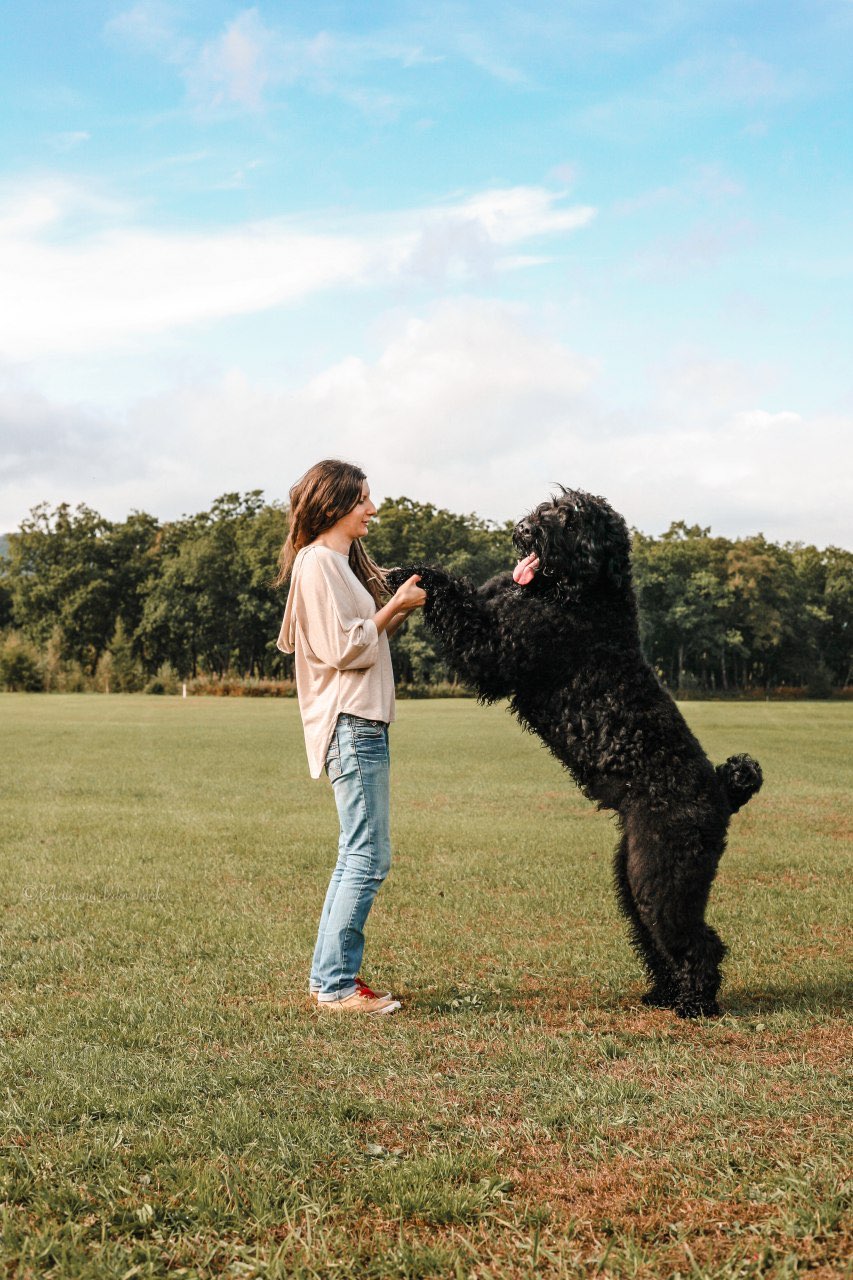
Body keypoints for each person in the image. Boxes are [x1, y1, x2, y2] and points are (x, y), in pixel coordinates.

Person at [274, 460, 426, 1015]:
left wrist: (397, 606)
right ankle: (337, 987)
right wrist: (392, 609)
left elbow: (363, 636)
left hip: (363, 722)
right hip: (350, 723)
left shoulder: (337, 564)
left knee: (357, 853)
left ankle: (330, 980)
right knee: (367, 855)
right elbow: (344, 650)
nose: (372, 509)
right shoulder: (317, 565)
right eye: (363, 499)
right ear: (336, 504)